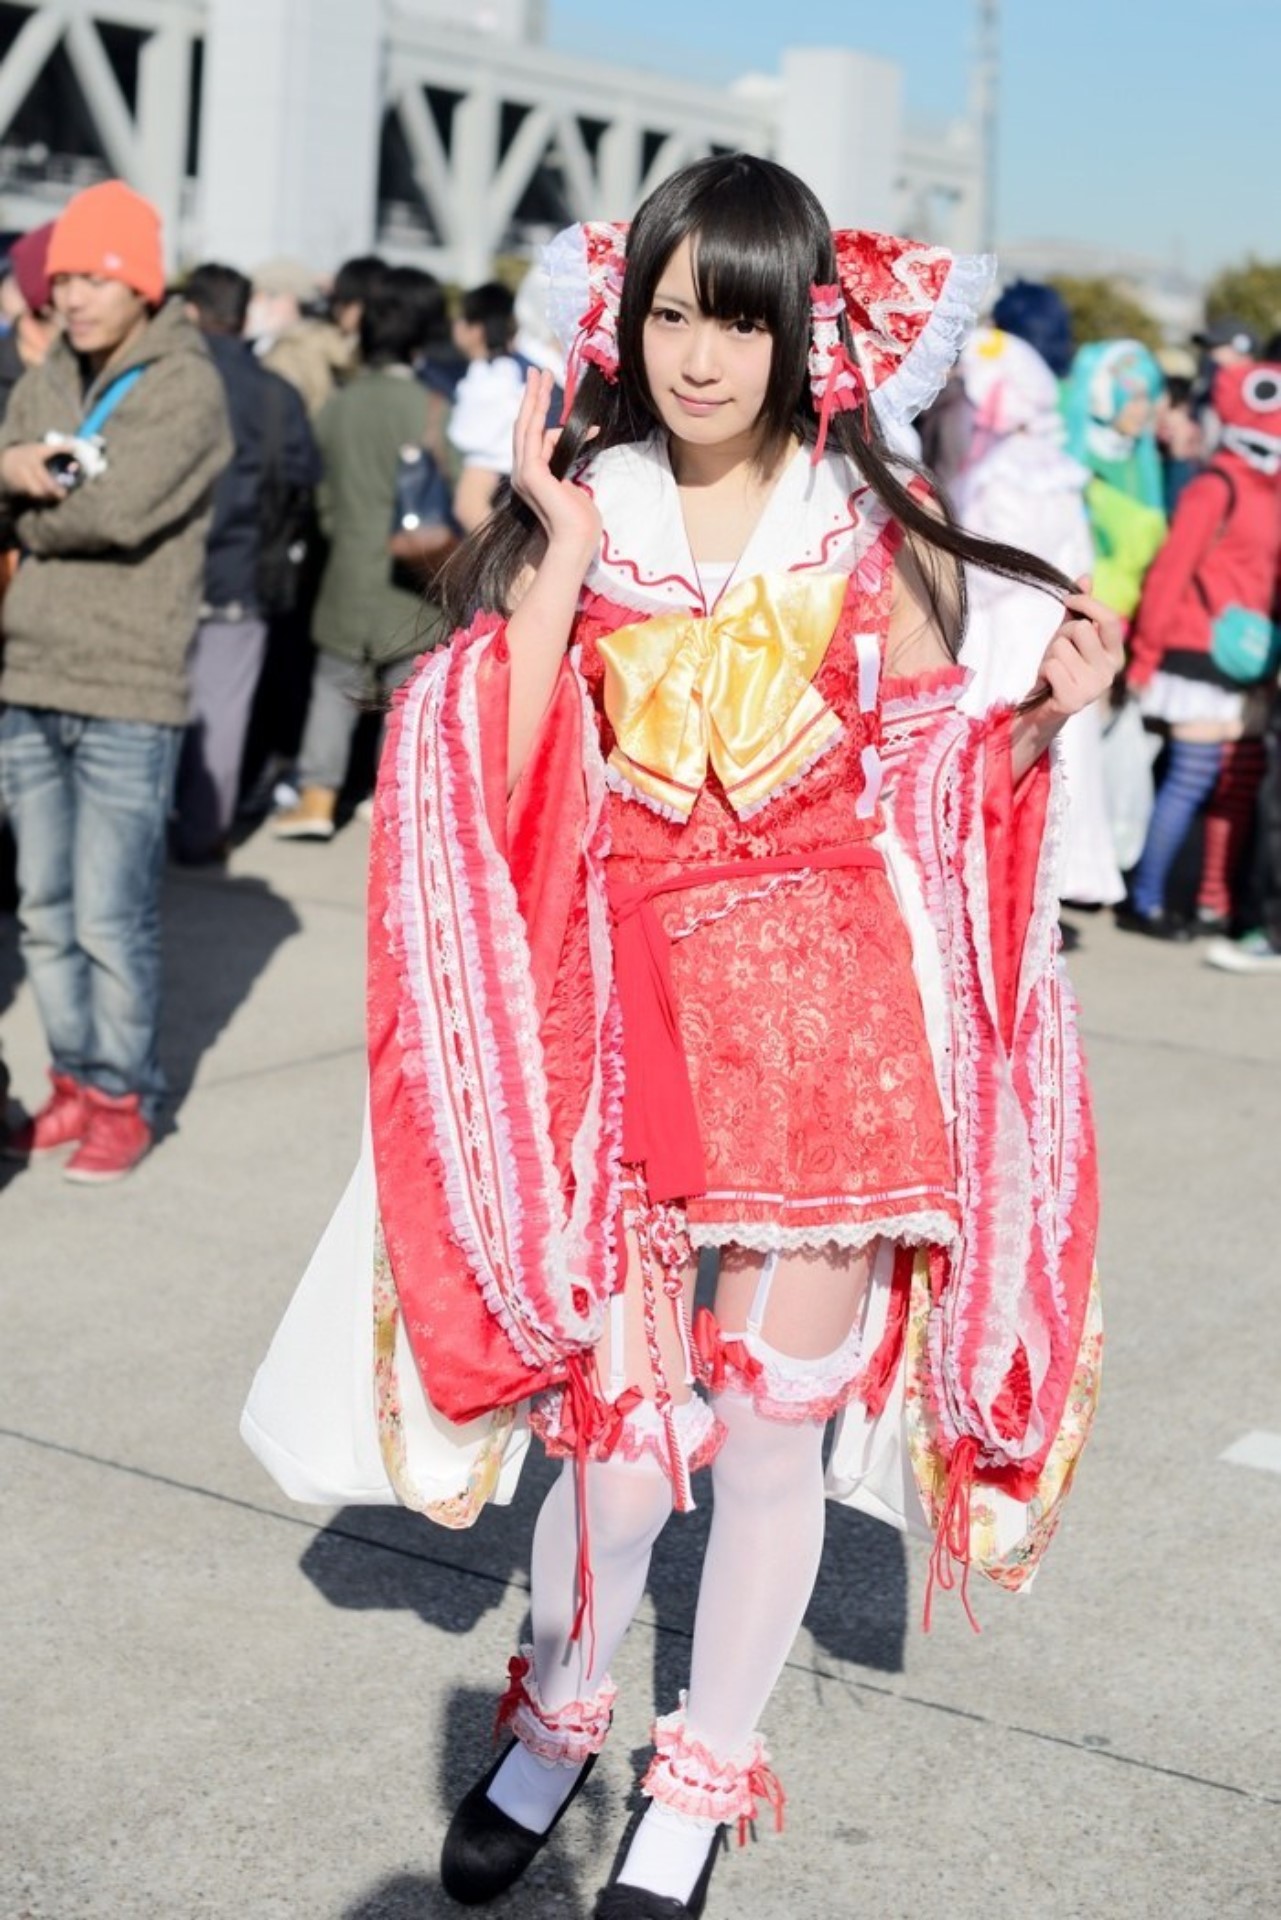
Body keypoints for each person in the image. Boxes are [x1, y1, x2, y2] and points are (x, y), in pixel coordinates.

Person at [242, 157, 1116, 1916]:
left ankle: (699, 1779)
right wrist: (559, 554)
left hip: (828, 1035)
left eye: (739, 319)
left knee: (771, 1435)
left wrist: (1032, 733)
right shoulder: (590, 510)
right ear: (621, 319)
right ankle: (561, 1712)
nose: (700, 356)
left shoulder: (874, 533)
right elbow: (489, 774)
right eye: (667, 314)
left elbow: (921, 795)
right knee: (618, 1442)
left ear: (804, 336)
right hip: (623, 1027)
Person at [0, 180, 232, 1181]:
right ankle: (75, 1078)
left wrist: (25, 487)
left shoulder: (184, 384)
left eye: (95, 279)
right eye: (62, 281)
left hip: (129, 686)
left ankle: (124, 1098)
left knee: (108, 914)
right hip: (29, 673)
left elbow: (114, 511)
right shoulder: (49, 373)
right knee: (43, 911)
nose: (74, 298)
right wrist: (21, 473)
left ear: (141, 284)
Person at [272, 265, 450, 841]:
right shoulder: (433, 408)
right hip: (412, 576)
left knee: (333, 685)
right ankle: (388, 800)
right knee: (404, 692)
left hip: (346, 567)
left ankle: (317, 797)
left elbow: (320, 496)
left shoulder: (338, 406)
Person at [954, 326, 1124, 905]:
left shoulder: (996, 471)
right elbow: (1079, 559)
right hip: (1051, 626)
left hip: (999, 629)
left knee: (1001, 746)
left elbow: (982, 569)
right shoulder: (1059, 469)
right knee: (1055, 750)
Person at [1122, 362, 1281, 939]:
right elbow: (1171, 571)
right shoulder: (1216, 485)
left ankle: (1213, 900)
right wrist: (1145, 655)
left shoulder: (1269, 490)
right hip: (1195, 649)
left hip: (1250, 660)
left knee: (1239, 782)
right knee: (1191, 776)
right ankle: (1147, 899)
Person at [174, 263, 320, 864]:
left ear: (190, 312)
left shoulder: (166, 381)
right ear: (242, 314)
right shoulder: (277, 393)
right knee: (224, 707)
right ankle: (201, 831)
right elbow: (305, 479)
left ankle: (142, 825)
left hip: (162, 567)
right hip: (244, 571)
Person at [448, 279, 529, 530]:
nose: (455, 326)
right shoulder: (512, 370)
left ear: (477, 329)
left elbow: (468, 507)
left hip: (494, 483)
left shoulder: (492, 381)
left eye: (461, 319)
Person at [248, 257, 350, 419]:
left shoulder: (292, 350)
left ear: (293, 299)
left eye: (270, 295)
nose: (257, 305)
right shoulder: (323, 340)